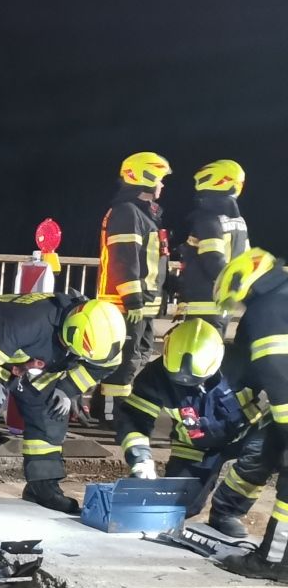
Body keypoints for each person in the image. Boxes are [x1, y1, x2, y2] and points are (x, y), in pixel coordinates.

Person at [0, 291, 127, 514]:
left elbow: (105, 365)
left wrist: (68, 389)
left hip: (40, 362)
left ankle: (42, 485)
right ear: (70, 333)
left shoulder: (101, 336)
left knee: (51, 410)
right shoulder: (22, 323)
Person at [115, 319, 266, 531]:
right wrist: (141, 460)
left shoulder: (243, 363)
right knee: (178, 507)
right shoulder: (155, 376)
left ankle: (226, 513)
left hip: (244, 435)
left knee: (263, 455)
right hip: (194, 444)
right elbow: (134, 420)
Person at [212, 249, 288, 580]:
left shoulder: (267, 310)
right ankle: (226, 510)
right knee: (266, 448)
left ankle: (273, 562)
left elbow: (274, 370)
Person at [96, 151, 170, 419]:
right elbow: (124, 260)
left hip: (142, 304)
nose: (162, 185)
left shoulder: (142, 214)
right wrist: (133, 300)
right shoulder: (127, 213)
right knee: (123, 362)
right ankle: (112, 416)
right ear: (146, 178)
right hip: (126, 304)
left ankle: (111, 411)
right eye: (160, 179)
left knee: (135, 358)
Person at [174, 160, 250, 320]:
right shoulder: (239, 221)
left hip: (204, 302)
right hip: (223, 304)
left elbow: (213, 259)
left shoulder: (208, 219)